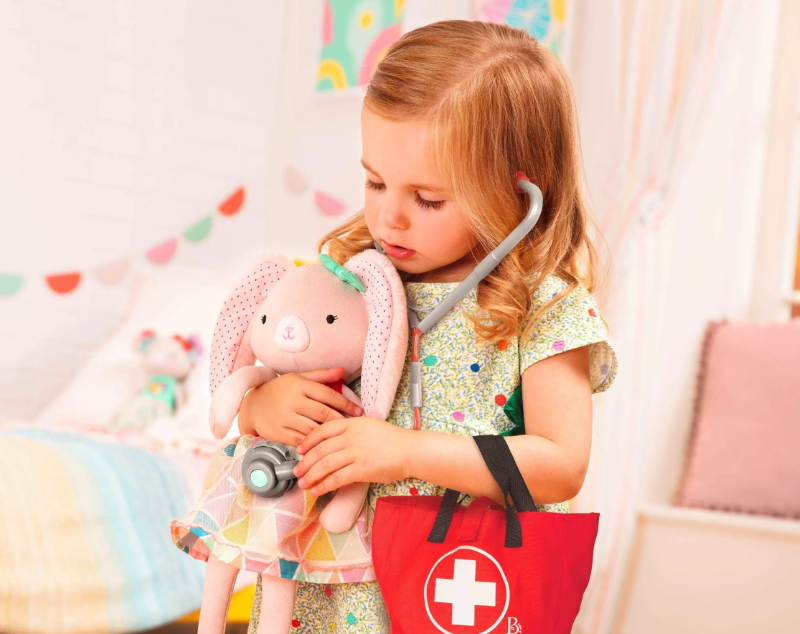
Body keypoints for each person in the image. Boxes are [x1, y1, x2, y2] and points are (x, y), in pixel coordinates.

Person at [239, 19, 618, 633]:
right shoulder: (352, 283)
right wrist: (265, 405)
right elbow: (273, 391)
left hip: (453, 583)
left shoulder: (545, 308)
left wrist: (406, 453)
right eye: (375, 180)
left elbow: (561, 464)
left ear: (517, 191)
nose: (390, 216)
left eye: (429, 199)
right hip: (327, 591)